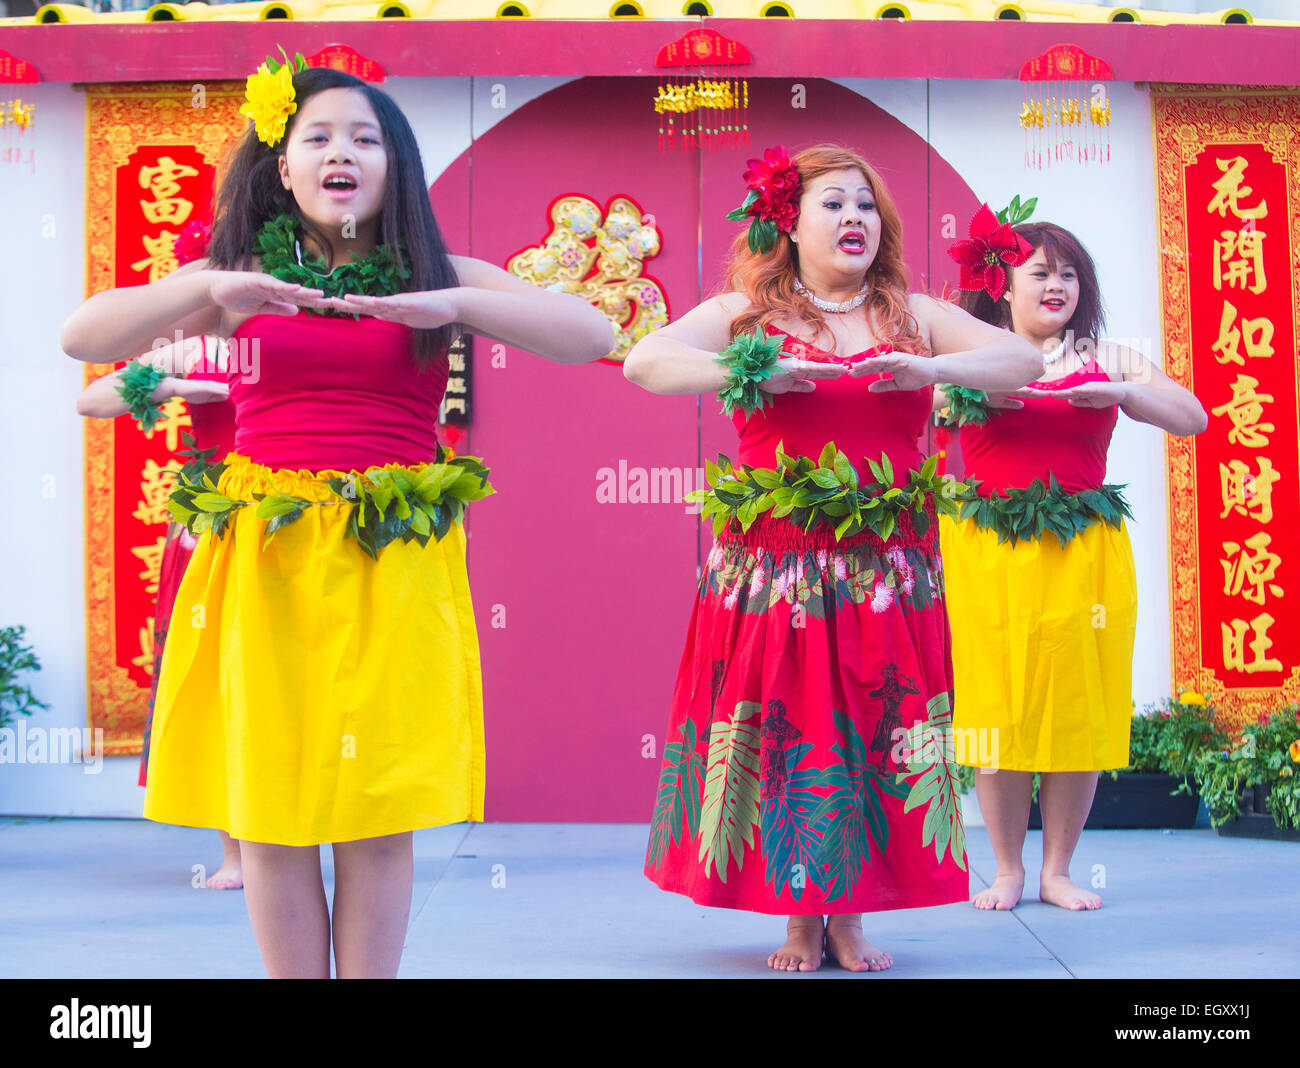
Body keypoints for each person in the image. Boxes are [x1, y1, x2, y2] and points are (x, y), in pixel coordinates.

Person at [61, 62, 612, 978]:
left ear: (393, 165)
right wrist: (212, 292)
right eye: (316, 138)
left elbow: (593, 336)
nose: (340, 153)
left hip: (392, 559)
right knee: (272, 804)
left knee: (376, 804)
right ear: (283, 167)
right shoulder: (233, 276)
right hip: (266, 554)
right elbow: (84, 339)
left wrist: (459, 305)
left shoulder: (442, 273)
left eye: (363, 138)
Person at [624, 144, 1042, 973]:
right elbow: (645, 361)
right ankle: (796, 917)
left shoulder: (911, 313)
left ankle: (849, 917)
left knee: (873, 730)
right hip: (774, 571)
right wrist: (748, 368)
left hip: (884, 574)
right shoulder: (751, 312)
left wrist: (930, 365)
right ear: (788, 222)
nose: (855, 218)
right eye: (833, 204)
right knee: (790, 732)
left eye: (866, 204)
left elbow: (1021, 363)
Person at [937, 218, 1207, 912]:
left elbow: (1192, 416)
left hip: (1084, 553)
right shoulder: (975, 357)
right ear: (1002, 286)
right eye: (1040, 273)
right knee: (998, 707)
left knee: (1077, 705)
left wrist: (1122, 395)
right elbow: (917, 410)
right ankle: (1006, 869)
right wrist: (957, 391)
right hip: (990, 550)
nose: (1057, 285)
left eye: (1068, 274)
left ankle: (1057, 869)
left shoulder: (1108, 356)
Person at [76, 335, 244, 889]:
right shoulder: (202, 348)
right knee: (217, 682)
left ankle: (318, 833)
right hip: (217, 524)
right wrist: (173, 385)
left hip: (305, 518)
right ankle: (239, 854)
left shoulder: (321, 329)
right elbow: (94, 398)